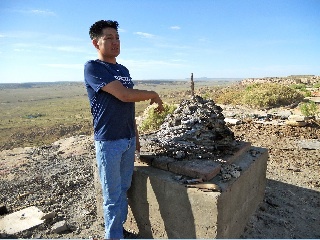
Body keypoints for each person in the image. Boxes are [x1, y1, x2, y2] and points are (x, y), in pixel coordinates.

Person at [84, 20, 164, 239]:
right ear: (95, 42)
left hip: (127, 139)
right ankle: (113, 236)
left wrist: (135, 137)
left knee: (123, 189)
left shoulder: (122, 69)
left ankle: (119, 231)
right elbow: (124, 95)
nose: (115, 42)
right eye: (109, 38)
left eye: (117, 38)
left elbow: (128, 106)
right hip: (109, 141)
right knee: (111, 196)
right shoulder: (93, 68)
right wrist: (153, 94)